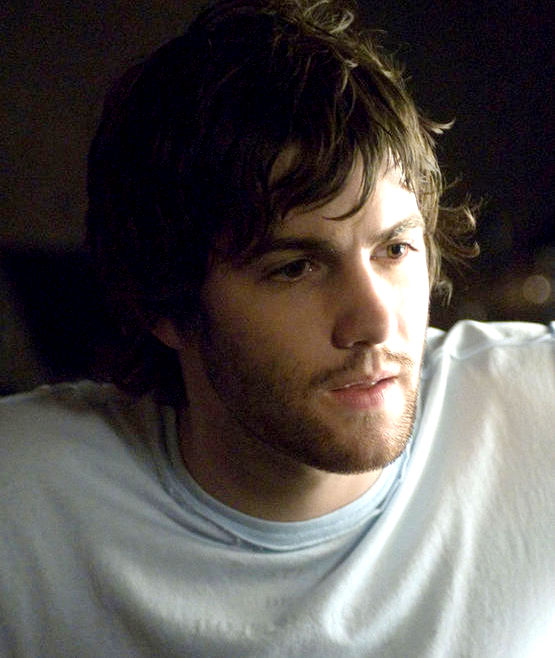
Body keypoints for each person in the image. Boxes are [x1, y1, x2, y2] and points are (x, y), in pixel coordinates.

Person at [1, 0, 553, 655]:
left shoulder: (535, 410)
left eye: (395, 248)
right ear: (165, 306)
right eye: (295, 267)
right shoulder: (24, 500)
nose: (375, 320)